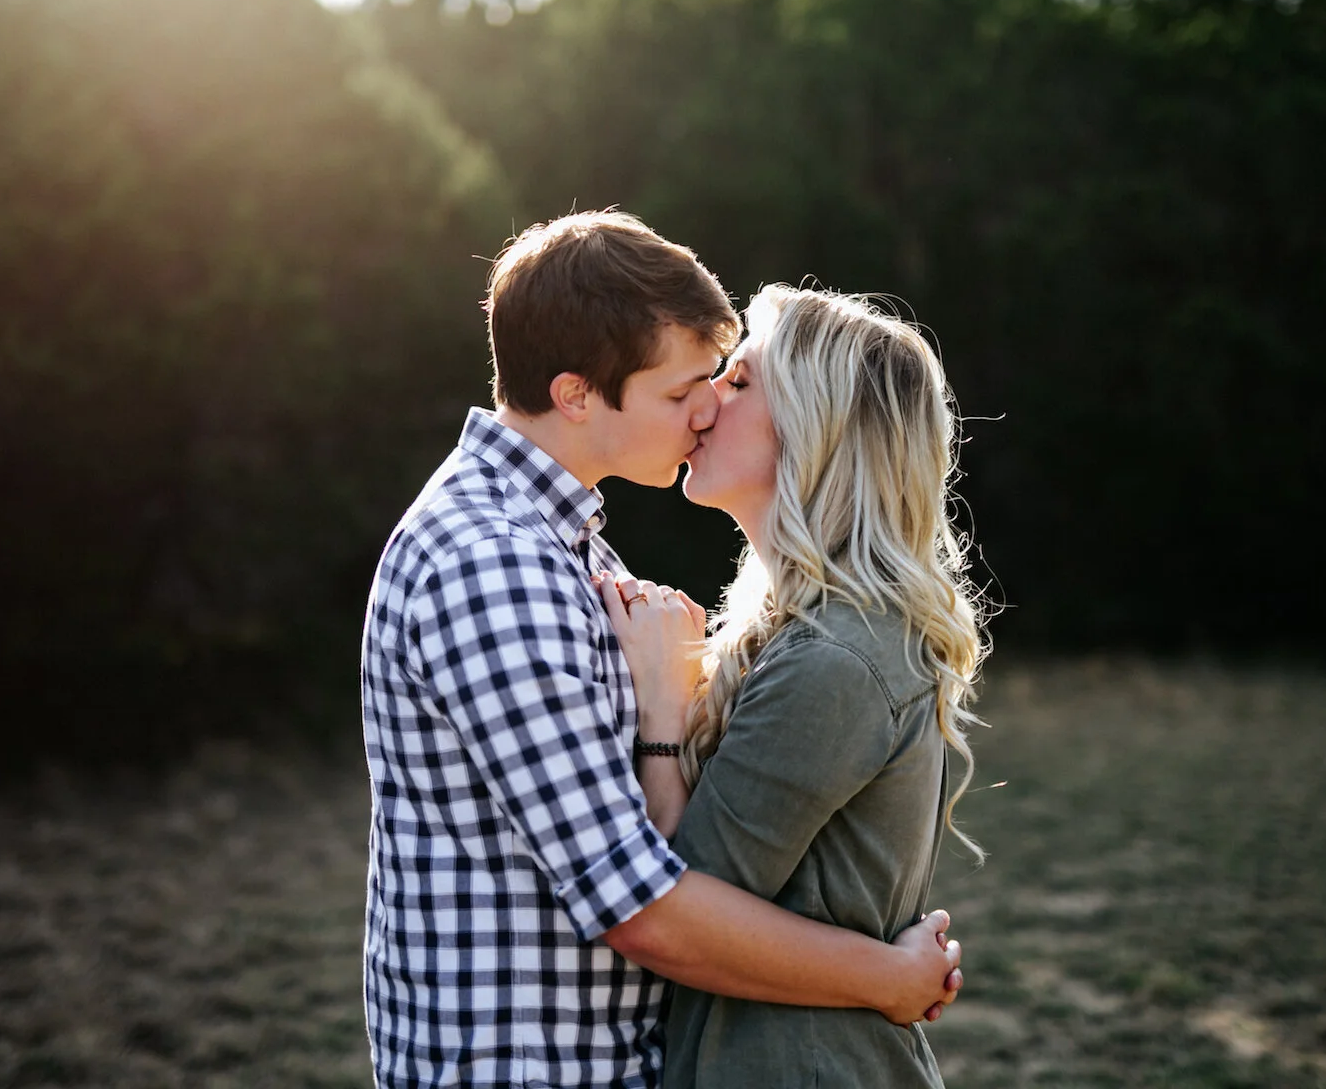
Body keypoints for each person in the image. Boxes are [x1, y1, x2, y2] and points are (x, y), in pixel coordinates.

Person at [359, 212, 963, 1089]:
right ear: (576, 394)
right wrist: (890, 977)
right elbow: (641, 902)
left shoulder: (570, 548)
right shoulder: (490, 563)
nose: (708, 403)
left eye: (728, 381)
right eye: (684, 391)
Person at [598, 283, 987, 1088]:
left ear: (818, 431)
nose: (703, 402)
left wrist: (662, 711)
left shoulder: (837, 657)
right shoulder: (804, 632)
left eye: (739, 382)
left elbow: (685, 909)